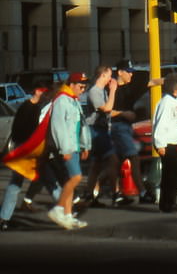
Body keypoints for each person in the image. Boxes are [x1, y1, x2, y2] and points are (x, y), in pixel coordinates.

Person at [0, 86, 56, 230]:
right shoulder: (29, 108)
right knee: (49, 180)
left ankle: (4, 218)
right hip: (27, 150)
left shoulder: (32, 106)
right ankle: (66, 210)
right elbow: (19, 130)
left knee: (17, 183)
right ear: (37, 91)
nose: (46, 95)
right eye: (44, 91)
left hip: (27, 149)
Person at [47, 72, 91, 230]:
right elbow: (58, 127)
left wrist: (85, 145)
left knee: (69, 181)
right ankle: (58, 209)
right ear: (71, 84)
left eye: (85, 86)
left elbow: (81, 125)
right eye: (80, 86)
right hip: (67, 148)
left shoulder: (74, 101)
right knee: (76, 178)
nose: (83, 89)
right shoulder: (62, 100)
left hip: (75, 147)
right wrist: (65, 149)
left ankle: (67, 215)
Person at [110, 60, 156, 205]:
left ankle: (108, 193)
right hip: (117, 127)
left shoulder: (131, 88)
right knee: (134, 158)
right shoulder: (110, 89)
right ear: (120, 72)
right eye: (128, 71)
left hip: (125, 127)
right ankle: (142, 192)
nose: (131, 74)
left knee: (113, 163)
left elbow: (152, 82)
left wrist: (169, 80)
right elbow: (104, 109)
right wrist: (123, 114)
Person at [82, 65, 119, 207]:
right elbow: (107, 108)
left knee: (96, 165)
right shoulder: (94, 92)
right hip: (96, 130)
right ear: (102, 75)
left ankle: (90, 194)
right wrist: (113, 91)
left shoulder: (101, 91)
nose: (111, 79)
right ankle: (116, 193)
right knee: (112, 159)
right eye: (109, 75)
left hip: (101, 128)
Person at [152, 72, 177, 213]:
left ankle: (168, 202)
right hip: (165, 143)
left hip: (172, 142)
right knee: (173, 173)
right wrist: (160, 144)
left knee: (171, 173)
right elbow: (160, 124)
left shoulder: (174, 101)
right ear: (175, 87)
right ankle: (167, 203)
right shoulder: (166, 103)